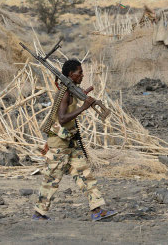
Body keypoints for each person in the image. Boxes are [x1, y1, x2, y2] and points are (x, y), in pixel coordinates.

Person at [32, 59, 117, 221]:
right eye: (80, 72)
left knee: (85, 175)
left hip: (69, 143)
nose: (82, 75)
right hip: (59, 146)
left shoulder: (70, 92)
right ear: (71, 75)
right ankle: (39, 213)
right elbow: (62, 118)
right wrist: (84, 107)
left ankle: (97, 210)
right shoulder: (64, 93)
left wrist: (83, 98)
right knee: (52, 180)